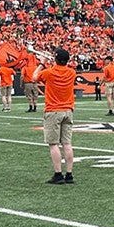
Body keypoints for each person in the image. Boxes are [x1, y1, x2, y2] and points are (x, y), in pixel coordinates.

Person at [34, 48, 78, 184]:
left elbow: (34, 77)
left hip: (53, 110)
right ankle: (69, 174)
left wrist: (42, 63)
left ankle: (58, 174)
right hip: (68, 110)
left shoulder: (49, 72)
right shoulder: (72, 72)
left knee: (53, 144)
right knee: (67, 143)